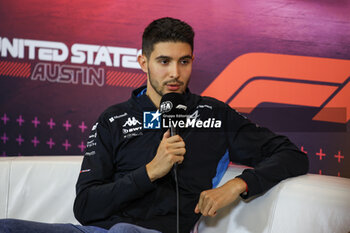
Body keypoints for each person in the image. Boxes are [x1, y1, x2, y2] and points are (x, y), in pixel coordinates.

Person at [0, 17, 308, 233]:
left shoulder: (213, 114)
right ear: (143, 62)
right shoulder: (113, 118)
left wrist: (239, 185)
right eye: (164, 61)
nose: (175, 73)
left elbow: (292, 155)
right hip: (99, 231)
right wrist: (150, 171)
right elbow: (85, 207)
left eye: (184, 61)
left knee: (125, 231)